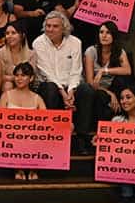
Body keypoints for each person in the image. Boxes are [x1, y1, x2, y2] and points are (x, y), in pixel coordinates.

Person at [32, 11, 94, 153]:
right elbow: (46, 72)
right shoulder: (38, 43)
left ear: (64, 28)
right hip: (50, 85)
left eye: (55, 26)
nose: (50, 29)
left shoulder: (75, 42)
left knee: (87, 90)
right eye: (48, 26)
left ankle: (81, 137)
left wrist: (71, 91)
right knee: (50, 88)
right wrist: (63, 94)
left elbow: (76, 70)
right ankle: (52, 135)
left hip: (70, 85)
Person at [0, 62, 46, 180]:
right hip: (11, 138)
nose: (19, 78)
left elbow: (47, 123)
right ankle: (17, 167)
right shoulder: (6, 96)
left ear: (31, 78)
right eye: (17, 75)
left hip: (31, 139)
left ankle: (33, 167)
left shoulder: (37, 99)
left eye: (23, 75)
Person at [83, 21, 132, 134]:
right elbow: (90, 82)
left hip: (112, 86)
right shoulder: (91, 51)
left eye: (108, 33)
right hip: (95, 88)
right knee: (101, 96)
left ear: (114, 36)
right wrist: (110, 94)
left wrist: (103, 71)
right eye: (101, 32)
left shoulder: (119, 51)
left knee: (123, 81)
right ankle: (101, 132)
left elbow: (127, 70)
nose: (104, 36)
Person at [0, 20, 36, 93]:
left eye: (13, 33)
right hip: (6, 86)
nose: (9, 36)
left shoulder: (31, 54)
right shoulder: (0, 53)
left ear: (22, 35)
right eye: (7, 33)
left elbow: (31, 77)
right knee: (8, 85)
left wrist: (12, 78)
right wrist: (15, 78)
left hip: (26, 85)